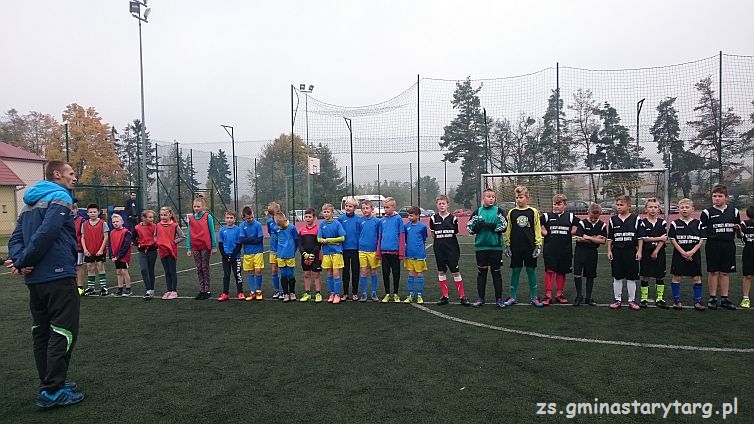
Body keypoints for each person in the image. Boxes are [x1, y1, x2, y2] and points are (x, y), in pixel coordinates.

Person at [6, 160, 84, 408]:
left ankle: (51, 382)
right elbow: (47, 234)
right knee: (63, 330)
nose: (75, 178)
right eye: (71, 173)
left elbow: (16, 237)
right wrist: (24, 260)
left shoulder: (29, 201)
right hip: (58, 276)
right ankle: (53, 390)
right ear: (57, 174)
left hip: (36, 279)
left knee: (41, 331)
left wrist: (20, 261)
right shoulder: (60, 197)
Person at [700, 184, 740, 310]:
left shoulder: (734, 211)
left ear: (726, 197)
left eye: (720, 196)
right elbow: (702, 229)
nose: (716, 198)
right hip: (713, 245)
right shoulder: (707, 212)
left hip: (728, 245)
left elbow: (738, 231)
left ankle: (724, 298)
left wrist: (738, 229)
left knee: (724, 272)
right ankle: (712, 298)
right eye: (714, 196)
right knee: (713, 272)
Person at [467, 188, 508, 308]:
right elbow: (469, 228)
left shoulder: (499, 211)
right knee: (482, 273)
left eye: (493, 197)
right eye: (488, 196)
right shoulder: (477, 212)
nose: (491, 198)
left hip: (495, 247)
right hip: (481, 248)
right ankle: (480, 298)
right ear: (483, 198)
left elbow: (504, 226)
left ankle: (499, 299)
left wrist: (490, 226)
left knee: (496, 272)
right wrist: (477, 228)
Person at [503, 186, 544, 308]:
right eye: (516, 198)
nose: (518, 200)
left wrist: (538, 245)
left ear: (527, 198)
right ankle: (512, 297)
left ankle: (534, 297)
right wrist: (507, 245)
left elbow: (537, 229)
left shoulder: (533, 212)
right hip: (516, 247)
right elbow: (508, 229)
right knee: (515, 270)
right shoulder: (512, 212)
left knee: (530, 270)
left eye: (521, 197)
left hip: (530, 247)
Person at [540, 194, 580, 305]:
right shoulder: (547, 216)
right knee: (550, 271)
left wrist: (572, 232)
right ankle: (547, 295)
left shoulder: (570, 216)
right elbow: (535, 223)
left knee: (562, 272)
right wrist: (543, 231)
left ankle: (559, 294)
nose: (556, 206)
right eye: (554, 204)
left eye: (559, 204)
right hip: (550, 250)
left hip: (565, 250)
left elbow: (581, 225)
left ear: (565, 205)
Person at [429, 195, 469, 306]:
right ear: (437, 205)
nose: (441, 205)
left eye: (443, 203)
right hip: (439, 249)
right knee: (441, 271)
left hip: (452, 249)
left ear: (448, 204)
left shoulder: (453, 218)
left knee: (455, 271)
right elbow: (433, 234)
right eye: (439, 203)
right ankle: (445, 296)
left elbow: (455, 232)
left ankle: (462, 296)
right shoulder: (433, 218)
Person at [668, 198, 706, 311]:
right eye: (682, 207)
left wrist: (692, 252)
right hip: (680, 253)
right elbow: (672, 239)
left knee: (696, 277)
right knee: (677, 276)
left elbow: (701, 239)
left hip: (694, 253)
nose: (684, 209)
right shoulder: (675, 223)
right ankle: (677, 300)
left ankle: (698, 301)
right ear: (679, 209)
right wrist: (683, 252)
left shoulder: (698, 223)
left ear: (692, 209)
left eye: (687, 207)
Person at [607, 195, 642, 310]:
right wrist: (609, 250)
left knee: (631, 277)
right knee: (617, 276)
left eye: (621, 205)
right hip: (617, 251)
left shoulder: (636, 219)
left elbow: (640, 237)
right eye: (617, 205)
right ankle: (617, 299)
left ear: (629, 206)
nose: (619, 207)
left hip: (631, 251)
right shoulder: (613, 220)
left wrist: (639, 251)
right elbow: (610, 238)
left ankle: (632, 300)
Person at [572, 203, 607, 306]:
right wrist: (595, 238)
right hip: (580, 252)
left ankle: (589, 297)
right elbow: (579, 238)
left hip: (592, 253)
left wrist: (588, 237)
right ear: (588, 213)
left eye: (595, 218)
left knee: (590, 275)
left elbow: (603, 241)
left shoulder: (602, 225)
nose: (593, 219)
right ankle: (579, 296)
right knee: (577, 273)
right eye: (591, 217)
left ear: (599, 215)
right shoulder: (582, 223)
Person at [638, 198, 668, 308]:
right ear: (646, 209)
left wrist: (656, 251)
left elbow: (663, 239)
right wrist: (658, 237)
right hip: (646, 253)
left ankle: (660, 298)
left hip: (659, 253)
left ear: (659, 209)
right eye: (650, 207)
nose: (653, 209)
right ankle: (643, 298)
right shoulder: (642, 223)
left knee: (660, 276)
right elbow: (643, 238)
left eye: (655, 207)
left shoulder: (662, 222)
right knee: (645, 276)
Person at [186, 196, 217, 300]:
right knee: (198, 268)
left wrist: (213, 246)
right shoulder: (191, 218)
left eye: (198, 206)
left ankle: (207, 290)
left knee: (205, 267)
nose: (196, 208)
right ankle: (201, 289)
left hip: (205, 246)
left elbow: (212, 231)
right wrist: (189, 247)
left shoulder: (208, 217)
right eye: (194, 206)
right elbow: (189, 233)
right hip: (195, 246)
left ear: (203, 207)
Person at [318, 203, 346, 303]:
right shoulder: (322, 224)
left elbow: (342, 238)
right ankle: (332, 293)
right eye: (324, 212)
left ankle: (337, 295)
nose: (325, 214)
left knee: (336, 273)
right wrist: (327, 240)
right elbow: (319, 239)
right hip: (326, 253)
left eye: (327, 212)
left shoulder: (337, 223)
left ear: (332, 212)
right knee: (329, 273)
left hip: (337, 253)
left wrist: (329, 240)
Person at [80, 203, 109, 296]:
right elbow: (82, 237)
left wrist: (101, 249)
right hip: (89, 250)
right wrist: (85, 249)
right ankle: (91, 288)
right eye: (90, 212)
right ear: (87, 213)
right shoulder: (84, 224)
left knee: (100, 267)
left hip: (99, 250)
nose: (93, 213)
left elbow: (106, 237)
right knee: (90, 268)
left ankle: (103, 288)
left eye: (94, 212)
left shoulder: (103, 223)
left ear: (98, 212)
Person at [157, 206, 185, 300]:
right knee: (167, 271)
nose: (163, 217)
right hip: (162, 251)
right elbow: (155, 236)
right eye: (161, 215)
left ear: (170, 214)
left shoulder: (174, 225)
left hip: (171, 251)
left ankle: (174, 291)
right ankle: (168, 290)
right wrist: (158, 243)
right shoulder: (158, 225)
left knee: (172, 271)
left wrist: (173, 242)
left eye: (165, 215)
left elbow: (182, 236)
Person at [380, 197, 403, 303]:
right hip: (384, 252)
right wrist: (378, 251)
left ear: (393, 207)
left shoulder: (398, 219)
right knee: (385, 273)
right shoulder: (382, 220)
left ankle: (396, 294)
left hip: (395, 252)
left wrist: (401, 252)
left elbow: (401, 235)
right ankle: (387, 293)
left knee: (396, 273)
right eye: (384, 207)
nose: (385, 209)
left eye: (387, 207)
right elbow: (380, 236)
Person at [239, 206, 265, 301]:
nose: (250, 219)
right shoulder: (242, 226)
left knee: (258, 270)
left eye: (252, 217)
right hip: (247, 253)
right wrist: (253, 238)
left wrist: (248, 240)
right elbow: (242, 240)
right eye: (248, 218)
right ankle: (252, 292)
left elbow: (259, 239)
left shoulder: (258, 225)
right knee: (250, 271)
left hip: (258, 251)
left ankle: (258, 291)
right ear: (244, 217)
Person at [403, 206, 428, 303]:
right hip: (409, 254)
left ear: (417, 216)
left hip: (419, 255)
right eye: (408, 215)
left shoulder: (422, 227)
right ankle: (410, 294)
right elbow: (405, 239)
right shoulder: (406, 226)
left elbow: (424, 238)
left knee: (420, 274)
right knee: (410, 274)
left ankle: (419, 295)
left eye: (411, 215)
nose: (409, 217)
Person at [357, 200, 381, 302]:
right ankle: (363, 293)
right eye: (363, 208)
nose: (365, 210)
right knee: (363, 271)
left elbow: (379, 236)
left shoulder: (377, 221)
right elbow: (358, 233)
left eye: (367, 208)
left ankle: (374, 293)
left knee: (374, 271)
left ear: (372, 209)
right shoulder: (359, 221)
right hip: (362, 250)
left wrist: (377, 249)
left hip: (373, 251)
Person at [218, 210, 244, 301]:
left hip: (235, 257)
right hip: (225, 257)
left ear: (234, 219)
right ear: (224, 219)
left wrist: (233, 254)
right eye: (227, 218)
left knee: (238, 275)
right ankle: (225, 293)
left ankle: (240, 292)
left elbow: (239, 244)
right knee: (226, 275)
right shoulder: (222, 230)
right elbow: (220, 245)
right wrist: (225, 255)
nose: (229, 220)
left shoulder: (238, 230)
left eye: (231, 218)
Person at [299, 208, 323, 303]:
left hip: (315, 256)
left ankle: (318, 293)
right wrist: (304, 254)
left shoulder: (318, 229)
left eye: (309, 217)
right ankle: (307, 293)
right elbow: (300, 244)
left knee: (316, 275)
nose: (307, 218)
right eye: (306, 217)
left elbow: (318, 244)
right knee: (306, 274)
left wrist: (313, 254)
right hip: (304, 256)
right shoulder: (302, 230)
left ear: (314, 217)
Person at [338, 197, 361, 301]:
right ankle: (345, 293)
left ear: (355, 208)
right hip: (344, 249)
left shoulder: (358, 219)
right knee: (345, 271)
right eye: (346, 206)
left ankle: (355, 292)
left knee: (355, 271)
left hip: (356, 249)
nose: (347, 208)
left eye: (350, 206)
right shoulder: (340, 219)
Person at [275, 212, 300, 302]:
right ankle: (285, 293)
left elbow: (297, 239)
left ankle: (292, 292)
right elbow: (276, 239)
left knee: (290, 274)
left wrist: (293, 250)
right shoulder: (276, 228)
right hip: (280, 255)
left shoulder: (292, 228)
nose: (280, 227)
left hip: (290, 255)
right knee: (283, 275)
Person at [134, 209, 158, 299]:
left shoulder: (155, 226)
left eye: (152, 217)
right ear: (143, 218)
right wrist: (138, 244)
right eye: (150, 217)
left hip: (152, 251)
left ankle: (151, 289)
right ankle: (148, 289)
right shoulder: (137, 227)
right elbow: (133, 238)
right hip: (142, 251)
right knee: (144, 269)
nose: (152, 219)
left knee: (150, 270)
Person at [108, 213, 133, 296]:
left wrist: (119, 256)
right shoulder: (112, 232)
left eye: (117, 221)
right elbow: (110, 244)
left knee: (124, 271)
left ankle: (128, 288)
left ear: (122, 222)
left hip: (124, 255)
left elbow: (126, 246)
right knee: (118, 272)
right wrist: (111, 255)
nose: (115, 223)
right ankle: (120, 288)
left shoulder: (126, 232)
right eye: (113, 222)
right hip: (116, 256)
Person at [738, 205, 754, 309]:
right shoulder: (744, 224)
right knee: (748, 275)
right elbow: (740, 235)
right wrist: (738, 230)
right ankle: (745, 298)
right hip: (749, 252)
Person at [266, 202, 282, 300]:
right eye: (271, 214)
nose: (273, 216)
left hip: (282, 250)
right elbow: (270, 232)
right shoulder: (269, 222)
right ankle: (276, 290)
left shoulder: (282, 221)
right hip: (273, 249)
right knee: (274, 270)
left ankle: (284, 290)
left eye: (274, 213)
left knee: (283, 271)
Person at [73, 203, 86, 296]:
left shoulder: (81, 220)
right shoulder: (63, 219)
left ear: (77, 209)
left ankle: (80, 287)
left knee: (79, 266)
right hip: (66, 247)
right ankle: (72, 287)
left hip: (78, 247)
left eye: (73, 208)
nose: (71, 210)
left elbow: (83, 235)